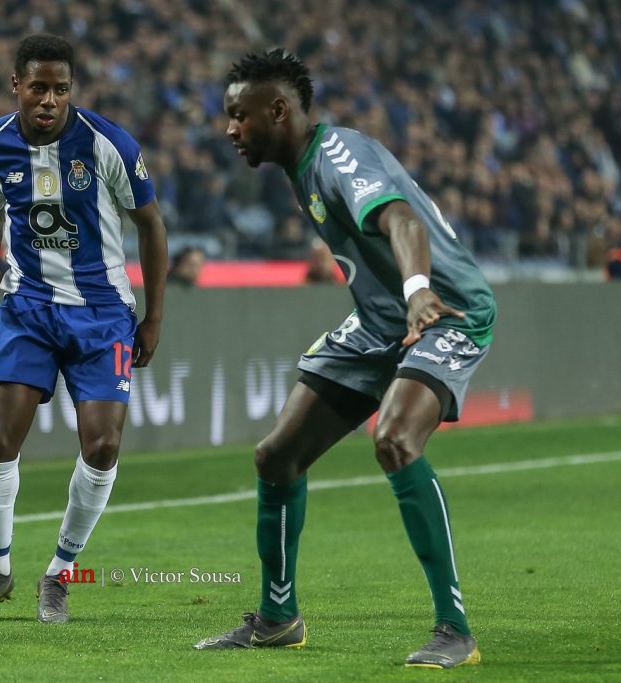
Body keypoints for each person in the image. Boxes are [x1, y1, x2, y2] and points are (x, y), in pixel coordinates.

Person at [194, 49, 496, 670]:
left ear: (279, 111)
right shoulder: (301, 166)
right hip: (381, 317)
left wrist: (418, 292)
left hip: (445, 309)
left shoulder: (339, 156)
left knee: (395, 440)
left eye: (240, 115)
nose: (230, 129)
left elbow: (402, 221)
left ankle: (454, 628)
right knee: (276, 456)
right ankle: (278, 618)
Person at [0, 34, 168, 624]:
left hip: (102, 314)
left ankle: (59, 574)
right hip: (28, 306)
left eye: (61, 89)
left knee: (102, 446)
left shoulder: (108, 145)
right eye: (39, 87)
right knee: (1, 439)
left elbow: (151, 226)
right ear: (16, 86)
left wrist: (153, 316)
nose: (49, 100)